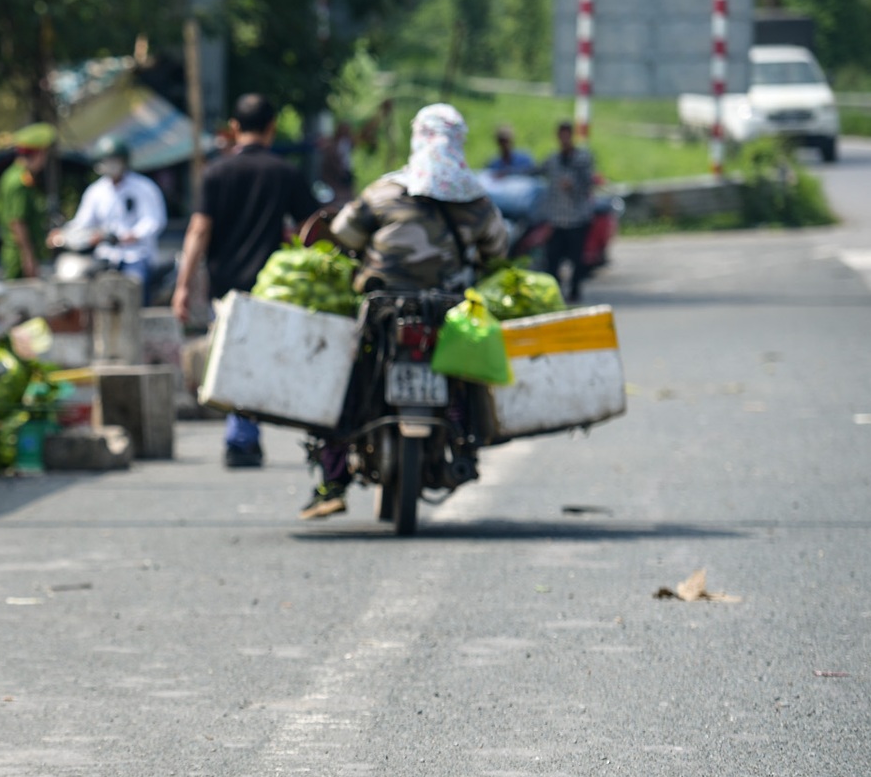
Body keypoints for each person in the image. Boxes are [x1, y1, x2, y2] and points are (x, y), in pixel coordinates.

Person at [298, 103, 509, 518]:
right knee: (464, 378)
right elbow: (497, 251)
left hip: (381, 307)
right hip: (448, 309)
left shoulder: (383, 191)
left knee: (346, 381)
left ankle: (332, 479)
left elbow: (344, 235)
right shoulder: (477, 201)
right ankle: (466, 438)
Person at [171, 93, 320, 469]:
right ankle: (247, 434)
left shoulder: (216, 172)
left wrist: (184, 284)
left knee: (235, 358)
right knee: (258, 358)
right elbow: (311, 229)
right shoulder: (284, 172)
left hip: (226, 287)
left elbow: (199, 230)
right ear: (271, 128)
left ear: (234, 129)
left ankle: (242, 436)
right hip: (274, 286)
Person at [47, 135, 166, 287]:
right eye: (106, 161)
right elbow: (82, 222)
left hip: (135, 256)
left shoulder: (143, 188)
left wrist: (133, 235)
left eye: (114, 161)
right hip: (104, 256)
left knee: (134, 287)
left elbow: (153, 221)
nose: (110, 165)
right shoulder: (96, 191)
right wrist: (63, 233)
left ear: (124, 161)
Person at [536, 120, 596, 303]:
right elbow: (536, 170)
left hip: (577, 218)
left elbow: (589, 184)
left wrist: (574, 185)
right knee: (552, 260)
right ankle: (556, 294)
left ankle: (575, 292)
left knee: (576, 259)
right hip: (556, 219)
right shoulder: (553, 159)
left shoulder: (582, 159)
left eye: (566, 135)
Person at [0, 122, 55, 280]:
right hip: (18, 258)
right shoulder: (18, 182)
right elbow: (17, 222)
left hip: (19, 255)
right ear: (39, 154)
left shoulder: (17, 176)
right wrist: (28, 257)